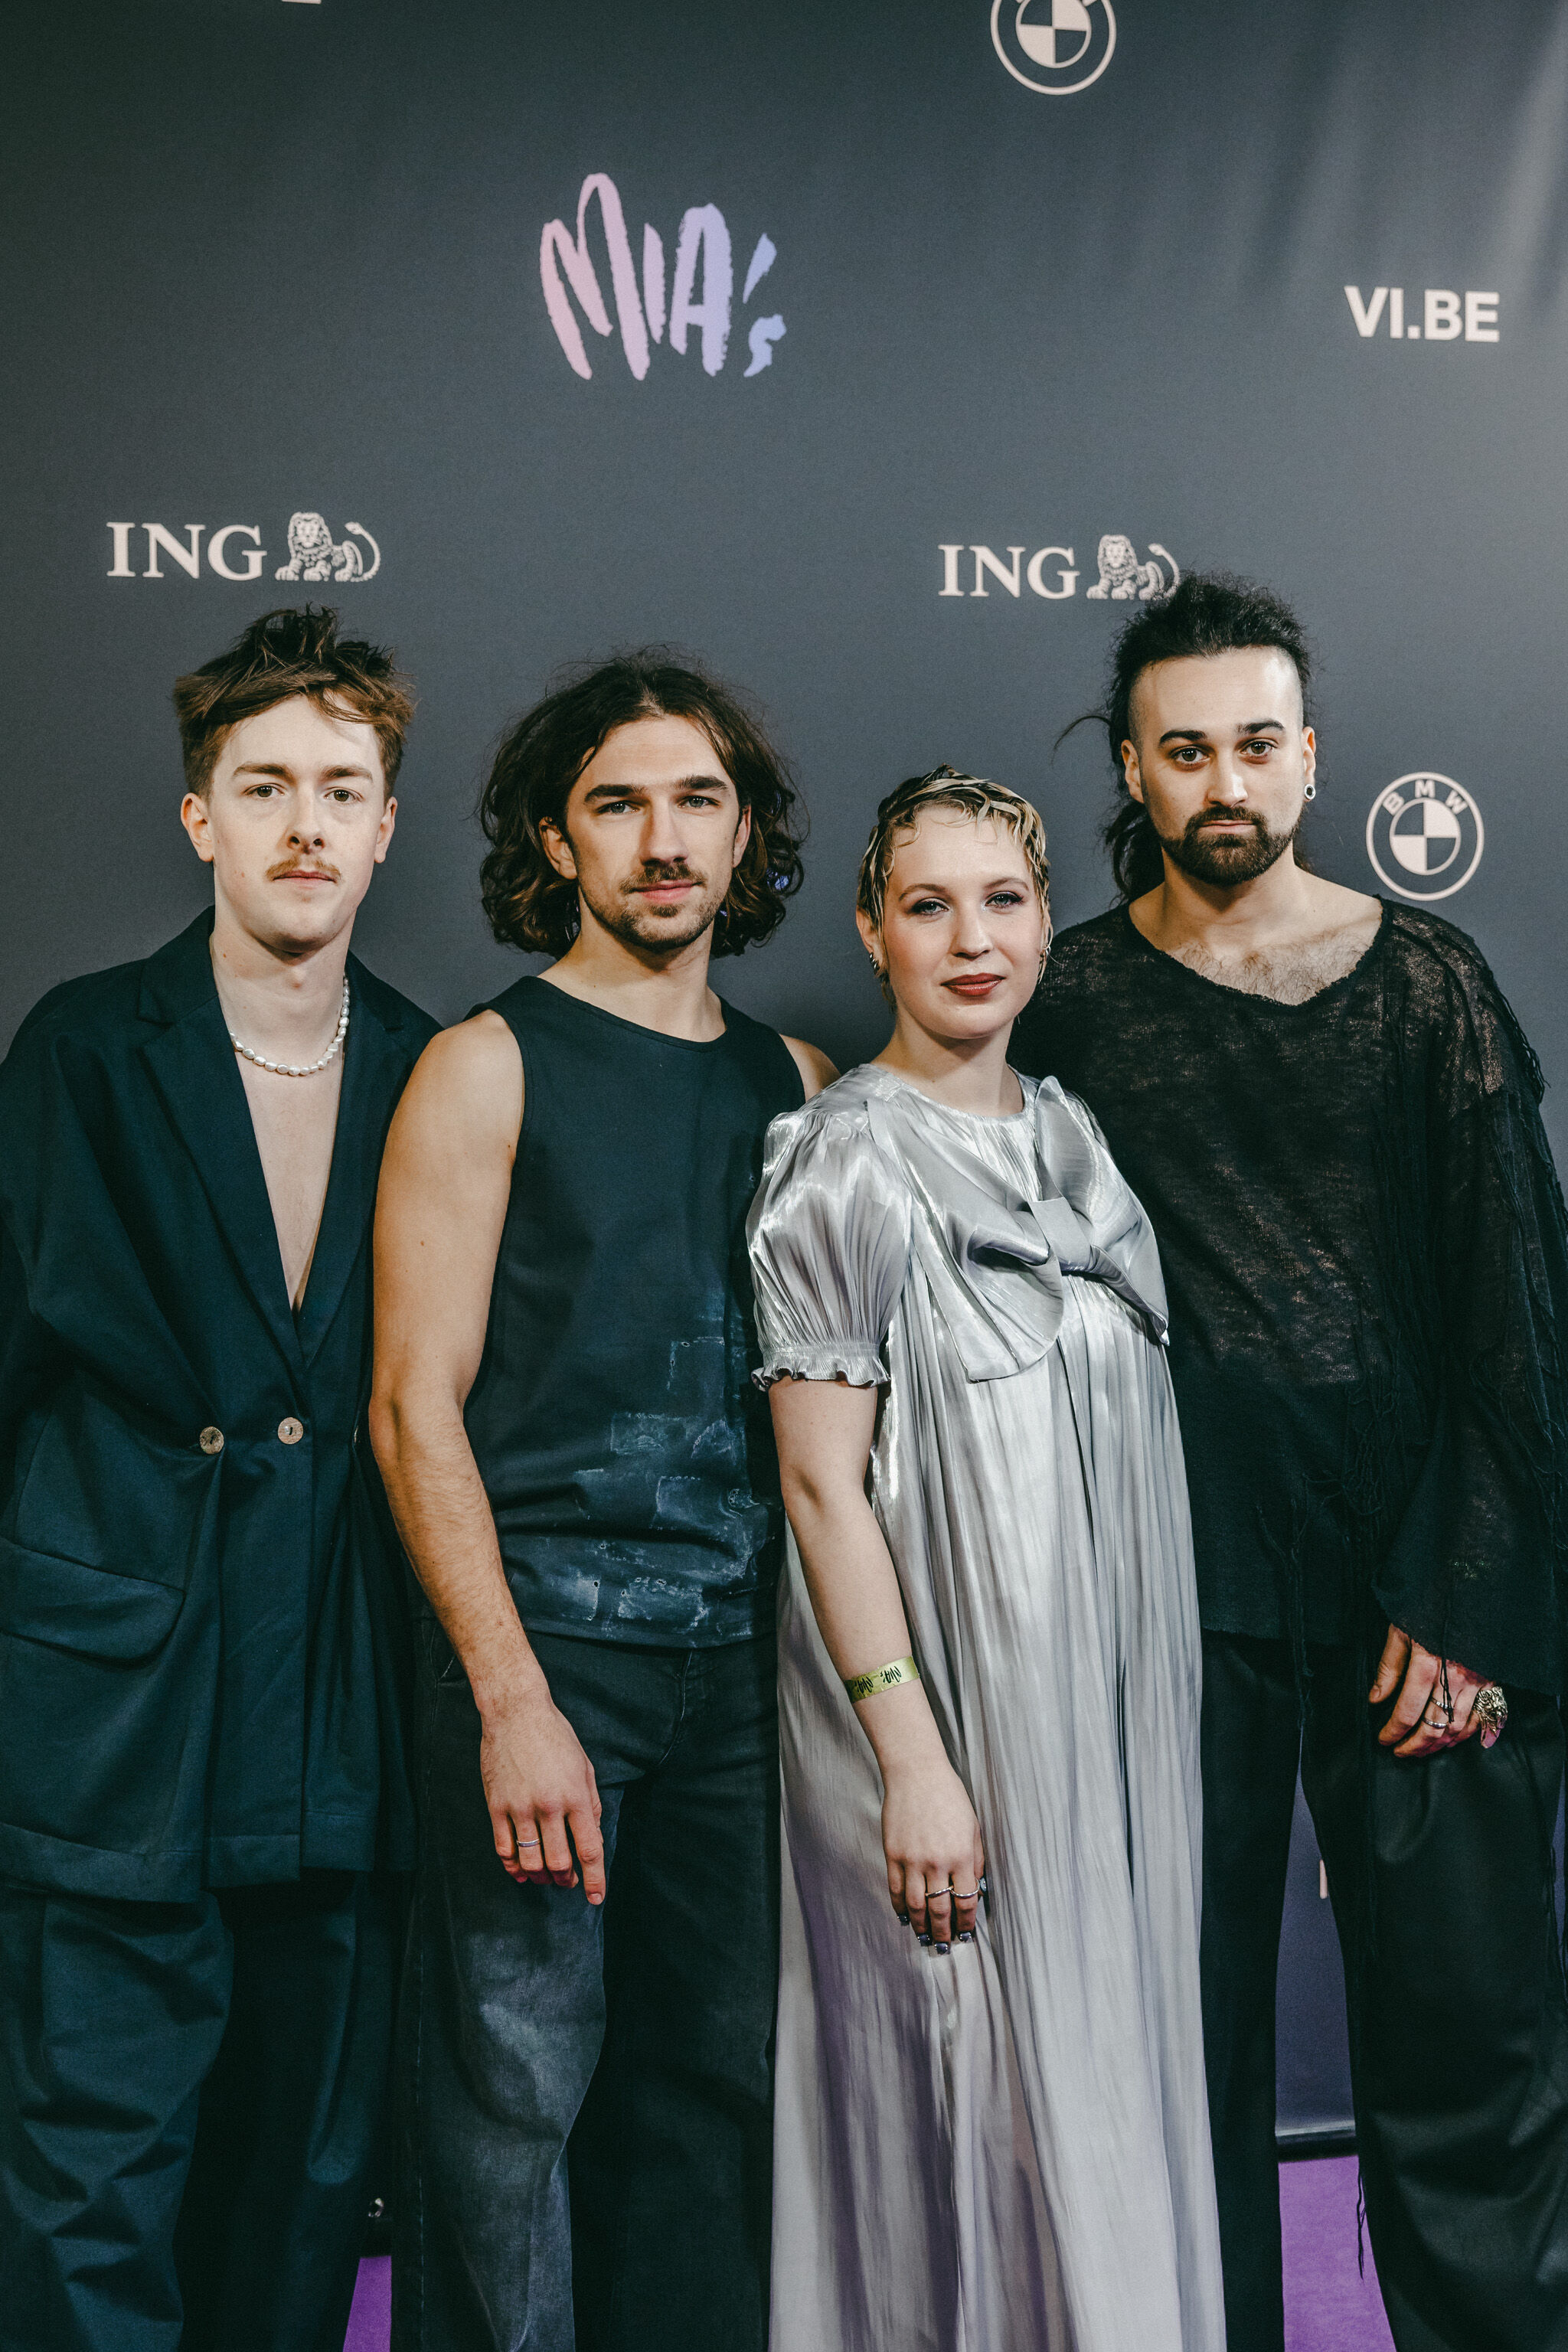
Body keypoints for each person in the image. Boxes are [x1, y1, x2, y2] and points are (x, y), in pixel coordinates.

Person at [1014, 574, 1568, 2352]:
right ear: (1132, 770)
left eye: (1255, 744)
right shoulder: (1066, 1001)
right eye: (1185, 752)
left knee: (1470, 2048)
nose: (1224, 781)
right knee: (1166, 2067)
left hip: (1422, 1608)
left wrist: (1466, 1602)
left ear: (1310, 757)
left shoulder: (1429, 984)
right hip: (1166, 1616)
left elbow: (1519, 1313)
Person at [371, 653, 835, 2352]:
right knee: (509, 2113)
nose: (663, 839)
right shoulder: (486, 1066)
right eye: (617, 804)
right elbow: (411, 1408)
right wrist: (510, 1700)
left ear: (744, 832)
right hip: (549, 1662)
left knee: (712, 2099)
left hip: (744, 1684)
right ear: (556, 841)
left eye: (697, 799)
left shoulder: (797, 1081)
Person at [0, 606, 436, 2352]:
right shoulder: (81, 1049)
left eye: (340, 789)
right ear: (201, 817)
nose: (304, 825)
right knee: (89, 2183)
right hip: (117, 1719)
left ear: (388, 825)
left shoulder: (435, 1067)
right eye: (264, 787)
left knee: (305, 2194)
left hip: (337, 1720)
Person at [746, 767, 1225, 2352]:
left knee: (1098, 2090)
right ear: (870, 929)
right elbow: (819, 1488)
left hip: (1105, 1726)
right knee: (968, 2106)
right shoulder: (837, 1158)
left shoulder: (1075, 1131)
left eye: (1003, 901)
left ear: (1045, 921)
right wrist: (912, 1762)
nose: (971, 940)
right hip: (941, 1726)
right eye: (929, 905)